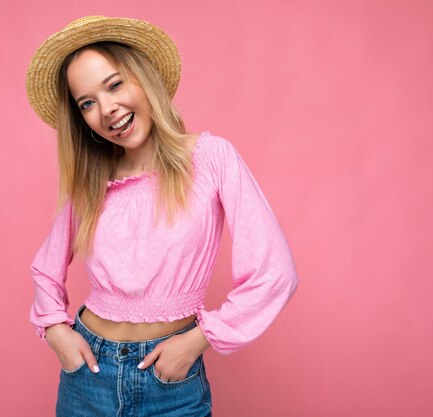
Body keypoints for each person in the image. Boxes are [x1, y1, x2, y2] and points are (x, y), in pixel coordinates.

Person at [25, 16, 299, 417]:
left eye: (114, 84)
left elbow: (275, 271)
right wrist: (56, 332)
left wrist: (198, 340)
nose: (107, 109)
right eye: (87, 102)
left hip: (171, 382)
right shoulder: (92, 181)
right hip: (88, 376)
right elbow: (45, 270)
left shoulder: (210, 159)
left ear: (144, 77)